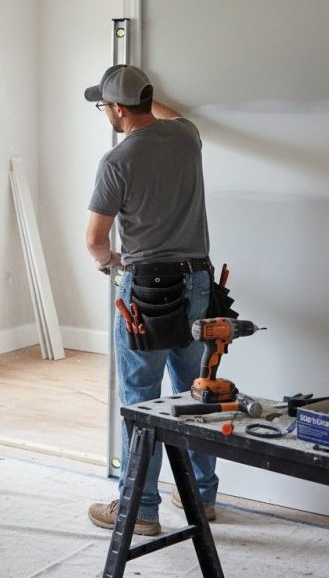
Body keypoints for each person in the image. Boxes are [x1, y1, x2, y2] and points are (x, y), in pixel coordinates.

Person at [83, 64, 218, 536]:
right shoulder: (187, 137)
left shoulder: (117, 160)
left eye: (104, 105)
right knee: (196, 393)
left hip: (145, 288)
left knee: (142, 401)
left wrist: (109, 265)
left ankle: (140, 509)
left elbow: (95, 239)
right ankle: (202, 497)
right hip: (198, 281)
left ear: (117, 108)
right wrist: (143, 99)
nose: (104, 112)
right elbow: (171, 115)